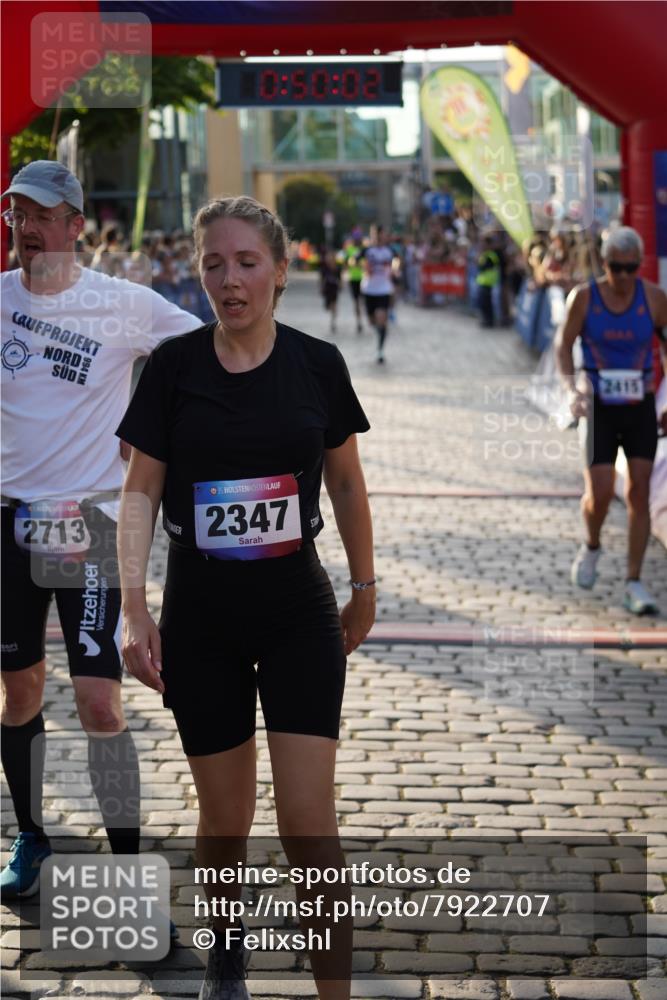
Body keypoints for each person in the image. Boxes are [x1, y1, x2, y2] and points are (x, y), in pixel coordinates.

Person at [116, 196, 375, 1000]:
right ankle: (227, 954)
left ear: (280, 271)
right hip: (202, 617)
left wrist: (365, 584)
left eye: (246, 263)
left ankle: (334, 991)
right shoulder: (174, 370)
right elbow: (139, 492)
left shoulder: (317, 364)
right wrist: (134, 606)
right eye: (213, 264)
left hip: (297, 610)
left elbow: (345, 480)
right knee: (224, 823)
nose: (229, 281)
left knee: (308, 825)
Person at [0, 160, 202, 899]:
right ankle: (30, 835)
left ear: (76, 225)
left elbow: (207, 352)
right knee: (19, 694)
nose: (26, 226)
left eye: (43, 213)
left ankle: (125, 870)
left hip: (89, 521)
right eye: (17, 212)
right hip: (10, 521)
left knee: (98, 702)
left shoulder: (121, 303)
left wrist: (147, 427)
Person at [556, 225, 667, 613]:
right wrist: (572, 390)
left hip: (640, 406)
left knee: (639, 492)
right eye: (617, 268)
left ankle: (633, 581)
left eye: (631, 268)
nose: (624, 276)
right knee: (600, 493)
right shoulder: (584, 298)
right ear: (605, 264)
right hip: (599, 407)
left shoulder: (653, 298)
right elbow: (563, 345)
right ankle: (592, 544)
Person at [361, 227, 394, 363]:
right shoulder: (367, 251)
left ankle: (380, 351)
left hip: (384, 289)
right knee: (372, 321)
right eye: (376, 235)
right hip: (369, 289)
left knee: (381, 318)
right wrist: (363, 266)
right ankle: (380, 331)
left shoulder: (389, 251)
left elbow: (397, 261)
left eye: (381, 235)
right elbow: (353, 260)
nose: (379, 238)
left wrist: (395, 269)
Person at [475, 234, 500, 328]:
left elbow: (482, 267)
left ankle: (489, 321)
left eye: (484, 244)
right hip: (483, 282)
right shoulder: (485, 254)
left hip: (488, 283)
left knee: (487, 303)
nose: (482, 245)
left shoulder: (491, 255)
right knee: (483, 303)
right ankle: (486, 320)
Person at [319, 249, 342, 334]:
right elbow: (321, 280)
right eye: (328, 258)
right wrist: (321, 288)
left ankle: (333, 323)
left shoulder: (337, 268)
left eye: (332, 257)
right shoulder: (324, 269)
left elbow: (340, 279)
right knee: (327, 307)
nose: (330, 259)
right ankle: (331, 310)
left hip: (334, 289)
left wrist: (341, 286)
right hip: (327, 289)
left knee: (334, 305)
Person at [344, 239, 364, 334]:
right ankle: (359, 321)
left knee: (362, 301)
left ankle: (364, 318)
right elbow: (346, 263)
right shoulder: (349, 250)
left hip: (363, 278)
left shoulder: (363, 249)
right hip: (353, 278)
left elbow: (366, 263)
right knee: (356, 302)